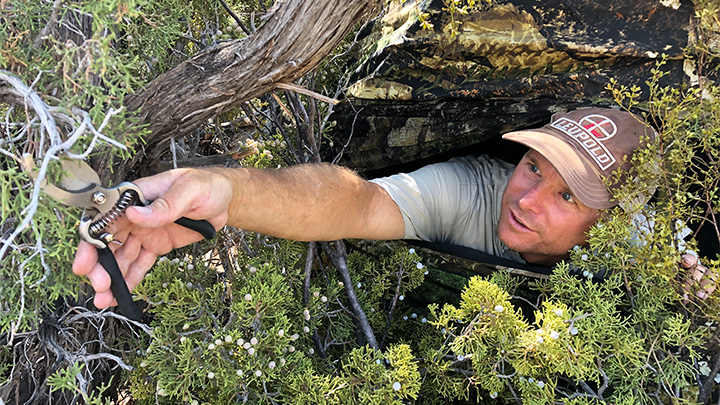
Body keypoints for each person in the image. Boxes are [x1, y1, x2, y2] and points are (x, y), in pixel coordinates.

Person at [72, 108, 716, 309]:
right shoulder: (474, 191)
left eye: (567, 195)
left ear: (609, 222)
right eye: (532, 165)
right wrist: (228, 192)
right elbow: (356, 201)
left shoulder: (651, 258)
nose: (526, 199)